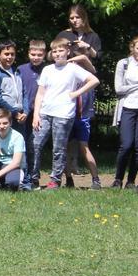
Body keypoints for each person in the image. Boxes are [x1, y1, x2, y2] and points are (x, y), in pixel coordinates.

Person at [33, 37, 98, 189]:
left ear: (67, 52)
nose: (57, 54)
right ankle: (33, 178)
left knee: (59, 148)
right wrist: (36, 114)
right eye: (54, 51)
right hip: (45, 113)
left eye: (61, 50)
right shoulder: (47, 69)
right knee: (35, 145)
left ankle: (55, 180)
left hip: (63, 114)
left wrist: (76, 93)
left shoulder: (73, 68)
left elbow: (94, 80)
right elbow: (40, 94)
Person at [18, 40, 46, 190]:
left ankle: (34, 176)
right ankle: (24, 174)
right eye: (33, 54)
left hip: (40, 114)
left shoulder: (48, 70)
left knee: (35, 146)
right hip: (23, 114)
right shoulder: (21, 69)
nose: (36, 57)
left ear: (44, 55)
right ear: (28, 53)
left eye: (39, 55)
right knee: (23, 145)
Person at [112, 35, 138, 189]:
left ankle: (131, 181)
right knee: (126, 145)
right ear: (132, 48)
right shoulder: (123, 64)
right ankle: (118, 179)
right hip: (128, 108)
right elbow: (119, 89)